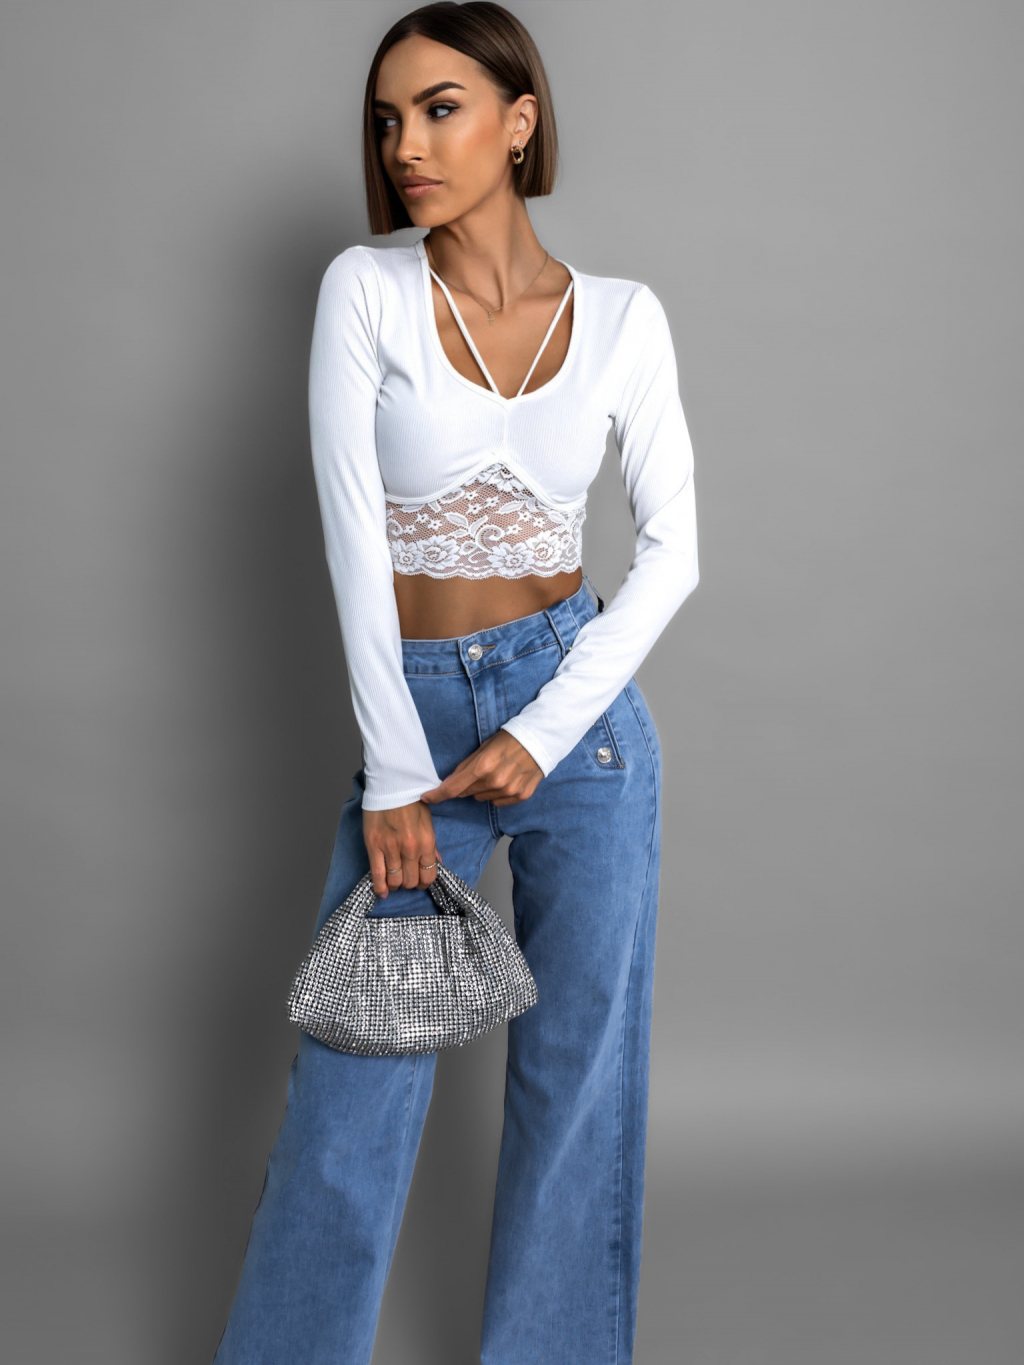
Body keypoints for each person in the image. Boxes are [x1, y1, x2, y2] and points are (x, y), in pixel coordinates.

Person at [212, 3, 698, 1362]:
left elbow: (675, 553)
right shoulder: (364, 291)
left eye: (440, 109)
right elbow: (354, 541)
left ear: (519, 121)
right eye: (388, 120)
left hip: (582, 723)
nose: (406, 145)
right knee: (353, 1087)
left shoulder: (624, 319)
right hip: (415, 721)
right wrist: (392, 770)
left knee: (579, 1089)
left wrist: (544, 734)